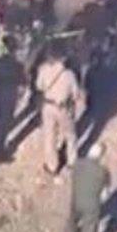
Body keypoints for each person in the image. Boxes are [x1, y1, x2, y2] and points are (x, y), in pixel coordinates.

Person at [36, 45, 84, 176]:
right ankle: (71, 162)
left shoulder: (43, 69)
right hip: (63, 108)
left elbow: (39, 86)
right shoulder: (69, 75)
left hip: (48, 106)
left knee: (49, 135)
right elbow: (76, 94)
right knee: (70, 135)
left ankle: (52, 165)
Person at [0, 51, 24, 164]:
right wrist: (19, 98)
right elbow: (22, 85)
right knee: (3, 124)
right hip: (8, 97)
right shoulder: (17, 65)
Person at [65, 143, 110, 232]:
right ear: (101, 156)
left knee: (72, 221)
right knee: (89, 226)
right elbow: (105, 193)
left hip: (76, 200)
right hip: (91, 207)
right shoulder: (103, 171)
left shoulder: (77, 163)